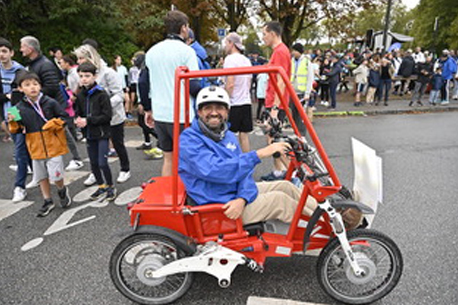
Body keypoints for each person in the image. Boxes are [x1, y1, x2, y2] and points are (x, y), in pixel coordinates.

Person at [179, 86, 317, 224]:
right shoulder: (189, 140)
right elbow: (215, 170)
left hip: (231, 194)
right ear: (199, 112)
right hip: (217, 204)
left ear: (227, 111)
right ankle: (328, 228)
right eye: (208, 108)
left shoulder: (226, 135)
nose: (214, 113)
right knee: (280, 201)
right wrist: (259, 154)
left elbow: (242, 172)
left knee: (285, 186)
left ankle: (328, 215)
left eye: (219, 108)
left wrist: (243, 198)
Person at [144, 10, 200, 177]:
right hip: (182, 115)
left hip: (160, 113)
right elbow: (193, 85)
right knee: (188, 160)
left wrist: (148, 109)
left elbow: (143, 82)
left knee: (168, 159)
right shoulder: (187, 51)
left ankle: (168, 196)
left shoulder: (152, 51)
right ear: (183, 28)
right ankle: (188, 197)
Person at [8, 72, 71, 217]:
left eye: (35, 84)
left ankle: (61, 189)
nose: (32, 88)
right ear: (20, 89)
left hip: (53, 145)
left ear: (40, 86)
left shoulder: (50, 102)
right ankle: (47, 200)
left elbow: (64, 117)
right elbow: (16, 130)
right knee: (41, 176)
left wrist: (55, 123)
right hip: (35, 147)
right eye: (27, 85)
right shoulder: (17, 108)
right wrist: (12, 121)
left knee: (56, 176)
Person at [20, 36, 83, 171]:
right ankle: (30, 163)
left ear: (30, 49)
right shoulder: (32, 64)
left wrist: (33, 93)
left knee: (63, 130)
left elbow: (53, 86)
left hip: (52, 104)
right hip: (36, 105)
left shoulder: (45, 64)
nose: (20, 50)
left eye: (22, 46)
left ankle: (77, 159)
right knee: (31, 133)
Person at [73, 44, 131, 184]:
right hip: (92, 119)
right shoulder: (82, 73)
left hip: (112, 115)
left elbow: (119, 94)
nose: (79, 61)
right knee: (93, 146)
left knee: (117, 143)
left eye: (81, 58)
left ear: (90, 56)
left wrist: (103, 106)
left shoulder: (108, 72)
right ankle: (95, 172)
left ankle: (125, 169)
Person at [74, 62, 117, 201]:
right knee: (93, 163)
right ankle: (101, 186)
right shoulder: (80, 95)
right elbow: (78, 112)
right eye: (81, 76)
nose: (84, 79)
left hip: (102, 134)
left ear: (95, 76)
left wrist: (88, 120)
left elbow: (107, 116)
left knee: (102, 163)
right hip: (89, 134)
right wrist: (77, 119)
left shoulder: (101, 94)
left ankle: (110, 186)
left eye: (87, 76)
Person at [0, 37, 33, 202]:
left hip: (18, 113)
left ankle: (19, 187)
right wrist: (5, 96)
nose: (1, 55)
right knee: (24, 149)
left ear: (11, 53)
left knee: (20, 150)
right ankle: (39, 175)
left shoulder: (20, 71)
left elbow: (25, 94)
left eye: (4, 51)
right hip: (5, 113)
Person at [260, 21, 291, 181]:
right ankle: (279, 171)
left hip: (276, 103)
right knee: (272, 138)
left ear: (272, 34)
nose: (263, 37)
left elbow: (281, 81)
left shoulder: (280, 51)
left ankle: (292, 172)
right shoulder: (278, 51)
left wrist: (275, 108)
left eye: (264, 34)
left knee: (275, 140)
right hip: (273, 101)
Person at [223, 32, 253, 153]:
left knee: (228, 136)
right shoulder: (247, 60)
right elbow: (249, 82)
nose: (225, 46)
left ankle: (230, 163)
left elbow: (230, 83)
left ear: (231, 44)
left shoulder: (230, 60)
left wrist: (225, 100)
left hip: (234, 102)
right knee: (244, 135)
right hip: (246, 100)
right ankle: (247, 162)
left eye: (226, 43)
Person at [290, 42, 313, 135]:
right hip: (292, 91)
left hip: (302, 93)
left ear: (299, 51)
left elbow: (310, 78)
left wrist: (307, 93)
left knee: (301, 115)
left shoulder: (307, 62)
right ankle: (296, 133)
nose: (293, 52)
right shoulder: (291, 61)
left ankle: (302, 134)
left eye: (295, 50)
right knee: (294, 114)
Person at [112, 55, 131, 119]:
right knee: (118, 101)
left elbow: (126, 78)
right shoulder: (112, 69)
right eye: (118, 59)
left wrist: (127, 86)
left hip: (123, 87)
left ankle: (127, 113)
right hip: (116, 87)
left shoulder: (124, 68)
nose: (120, 61)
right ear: (115, 60)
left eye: (120, 59)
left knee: (127, 100)